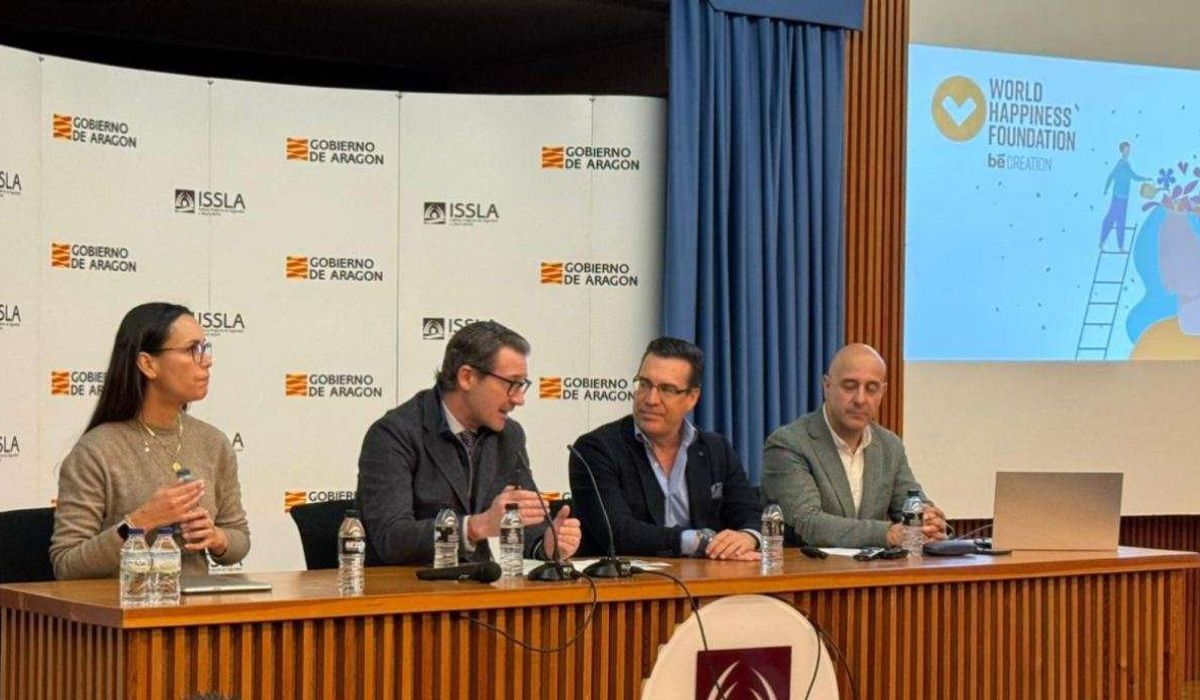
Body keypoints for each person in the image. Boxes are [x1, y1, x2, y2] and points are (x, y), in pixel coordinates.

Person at [50, 303, 250, 580]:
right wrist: (142, 521)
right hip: (123, 604)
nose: (206, 361)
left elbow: (239, 538)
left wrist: (216, 537)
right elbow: (67, 565)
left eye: (205, 348)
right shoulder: (96, 451)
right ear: (147, 364)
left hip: (197, 603)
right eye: (191, 350)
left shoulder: (213, 442)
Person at [357, 321, 581, 565]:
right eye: (511, 384)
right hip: (407, 585)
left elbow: (525, 523)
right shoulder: (394, 434)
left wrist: (545, 545)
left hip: (481, 583)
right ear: (467, 377)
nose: (519, 399)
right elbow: (392, 538)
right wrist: (475, 527)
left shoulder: (509, 435)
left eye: (522, 385)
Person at [569, 337, 762, 560]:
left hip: (709, 577)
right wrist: (699, 541)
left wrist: (748, 537)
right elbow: (618, 532)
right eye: (644, 384)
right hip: (628, 578)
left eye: (666, 389)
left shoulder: (716, 449)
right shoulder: (596, 449)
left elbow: (750, 513)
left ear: (692, 397)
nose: (651, 399)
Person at [761, 343, 948, 549]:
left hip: (876, 568)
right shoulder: (788, 443)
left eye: (871, 389)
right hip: (808, 567)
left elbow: (911, 502)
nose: (860, 399)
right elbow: (808, 523)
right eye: (850, 386)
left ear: (883, 392)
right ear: (827, 386)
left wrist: (928, 520)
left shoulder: (889, 445)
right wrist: (887, 534)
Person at [1100, 141, 1151, 252]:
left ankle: (1120, 246)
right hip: (1118, 196)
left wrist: (1145, 179)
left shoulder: (1126, 164)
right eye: (1126, 150)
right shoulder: (1121, 164)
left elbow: (1133, 176)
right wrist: (1106, 189)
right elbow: (1111, 176)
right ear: (1122, 151)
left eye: (1129, 150)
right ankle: (1102, 241)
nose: (1128, 152)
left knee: (1121, 220)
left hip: (1124, 197)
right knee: (1111, 218)